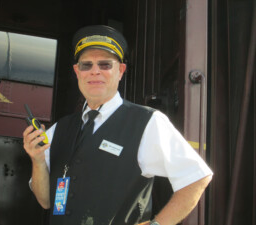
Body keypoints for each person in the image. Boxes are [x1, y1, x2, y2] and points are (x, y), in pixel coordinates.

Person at [23, 25, 213, 225]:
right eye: (86, 65)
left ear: (120, 70)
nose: (95, 72)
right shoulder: (59, 129)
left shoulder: (148, 122)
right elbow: (45, 201)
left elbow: (197, 177)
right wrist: (37, 160)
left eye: (105, 65)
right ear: (77, 72)